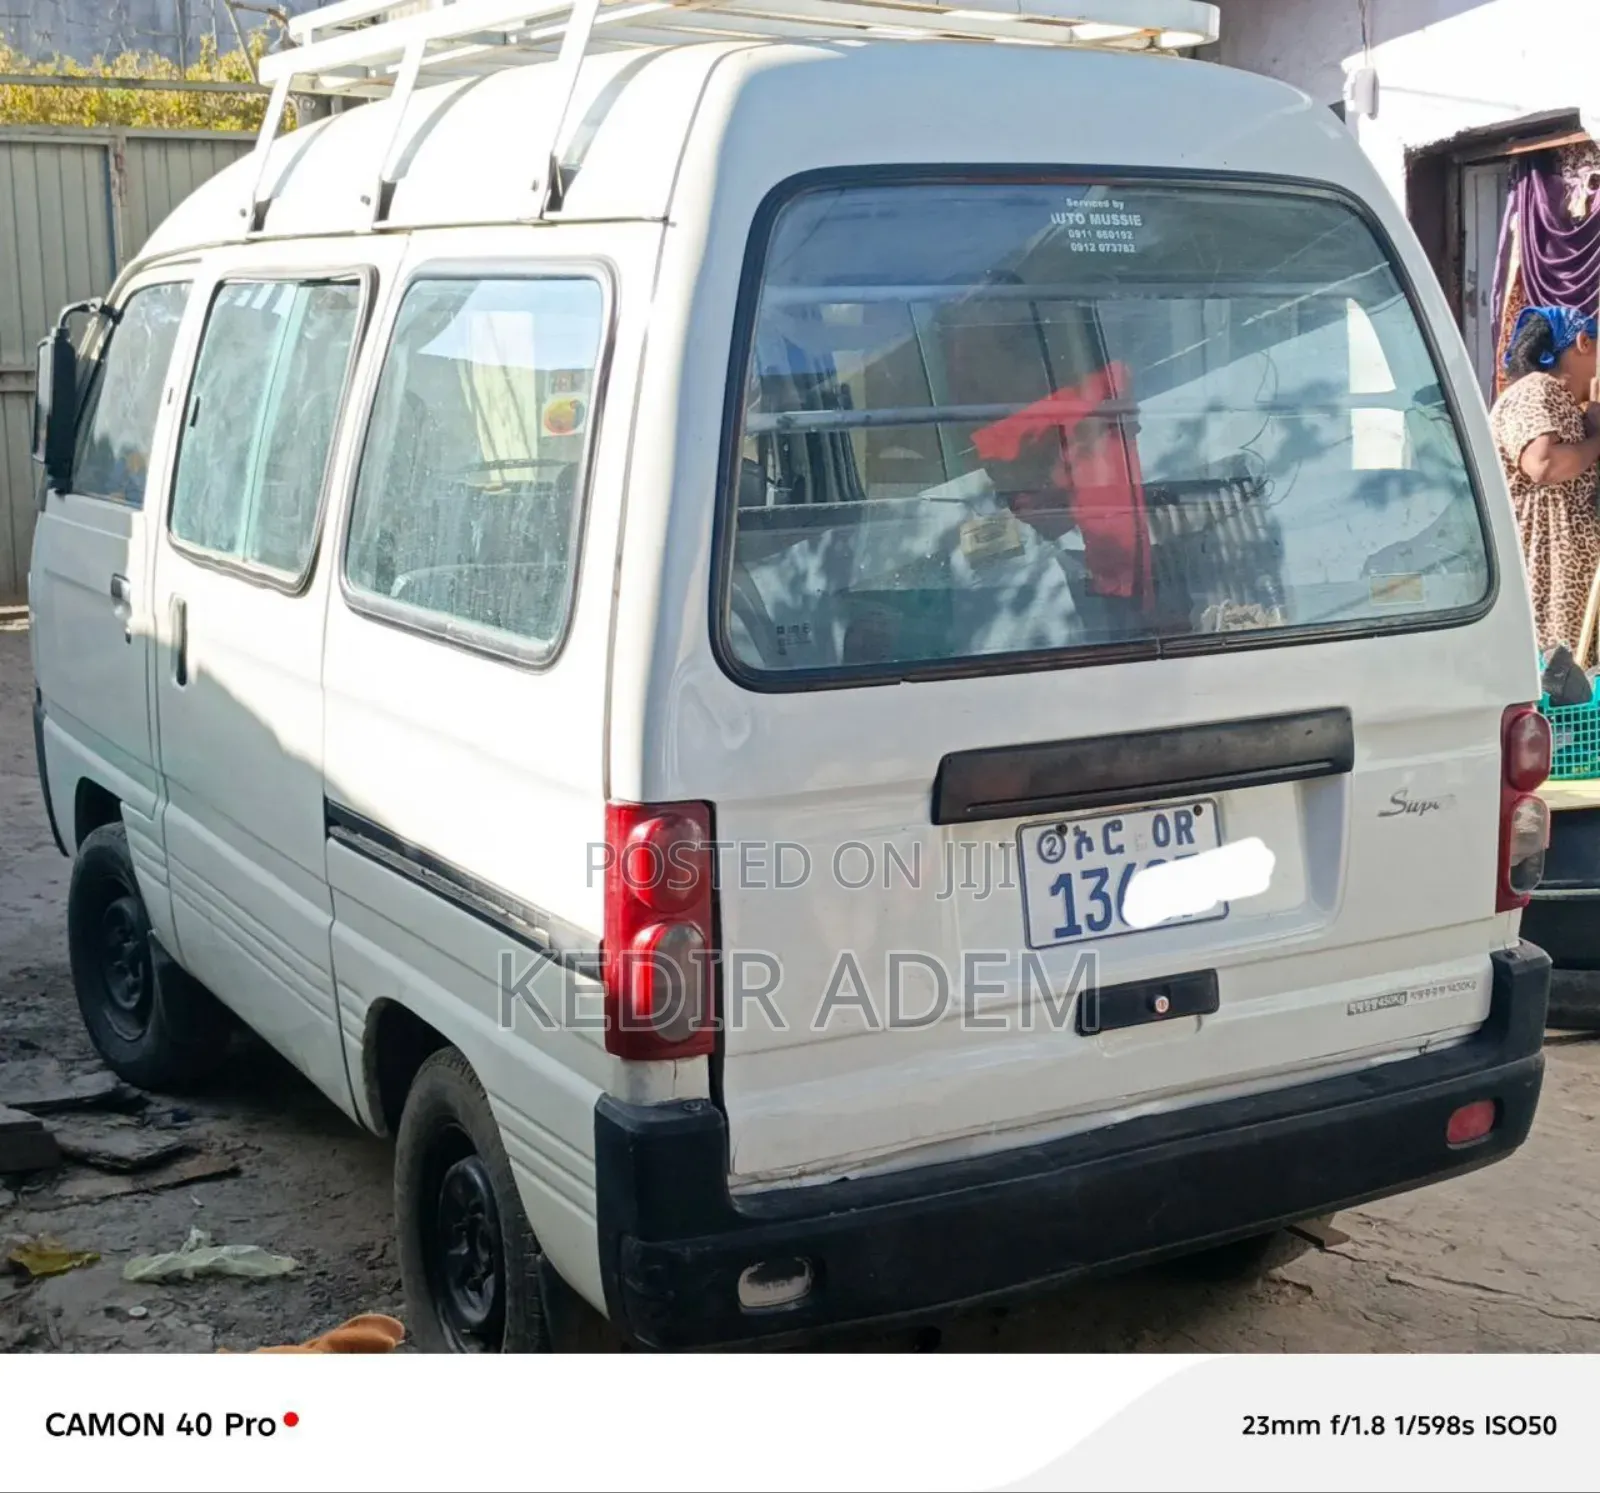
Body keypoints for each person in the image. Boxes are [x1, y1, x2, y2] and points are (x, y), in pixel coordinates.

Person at [1491, 305, 1600, 652]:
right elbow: (1544, 464)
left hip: (1575, 584)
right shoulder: (1537, 389)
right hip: (1549, 577)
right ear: (1584, 342)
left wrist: (1595, 419)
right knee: (1555, 684)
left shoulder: (1566, 403)